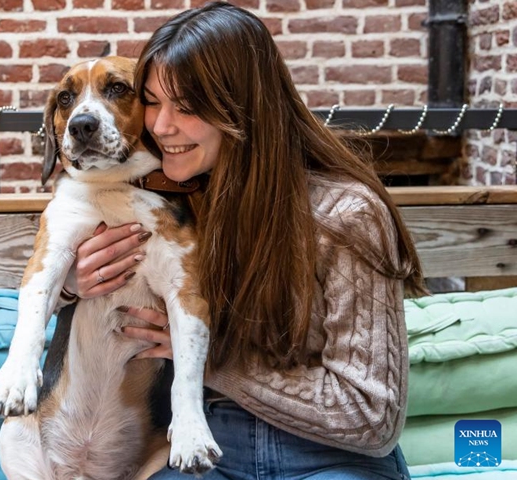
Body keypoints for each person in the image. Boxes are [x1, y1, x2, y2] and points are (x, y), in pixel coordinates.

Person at [61, 2, 427, 479]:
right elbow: (57, 243)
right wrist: (74, 282)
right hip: (210, 453)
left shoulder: (347, 215)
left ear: (243, 108)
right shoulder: (169, 196)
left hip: (332, 460)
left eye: (187, 107)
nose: (162, 125)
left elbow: (370, 416)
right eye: (152, 101)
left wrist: (209, 362)